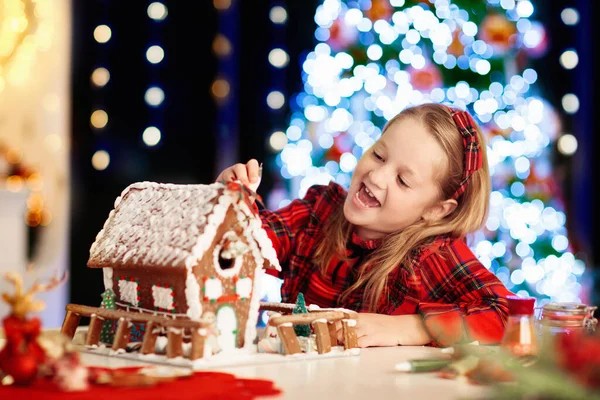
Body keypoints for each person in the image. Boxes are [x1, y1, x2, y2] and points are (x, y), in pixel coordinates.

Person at [216, 103, 513, 348]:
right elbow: (243, 247)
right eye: (378, 155)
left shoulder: (432, 256)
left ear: (436, 210)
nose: (377, 176)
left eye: (402, 180)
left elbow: (509, 315)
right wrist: (228, 205)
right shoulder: (318, 212)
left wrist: (412, 328)